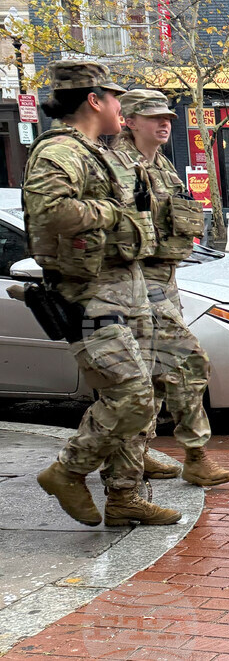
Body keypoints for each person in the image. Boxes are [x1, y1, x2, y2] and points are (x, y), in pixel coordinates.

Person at [25, 61, 181, 526]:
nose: (121, 105)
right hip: (90, 297)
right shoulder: (60, 153)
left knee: (141, 395)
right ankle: (67, 471)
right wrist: (112, 213)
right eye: (115, 98)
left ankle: (125, 497)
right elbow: (49, 212)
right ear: (94, 100)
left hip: (124, 291)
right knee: (130, 395)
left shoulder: (94, 151)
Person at [113, 89, 229, 487]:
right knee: (188, 363)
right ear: (129, 121)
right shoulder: (118, 168)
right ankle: (196, 456)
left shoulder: (162, 166)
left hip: (165, 284)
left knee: (151, 375)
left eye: (167, 116)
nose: (165, 123)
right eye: (153, 117)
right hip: (137, 285)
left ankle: (138, 452)